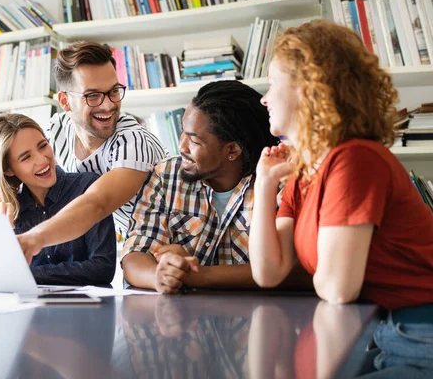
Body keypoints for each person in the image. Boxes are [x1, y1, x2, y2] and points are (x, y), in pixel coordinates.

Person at [249, 20, 433, 310]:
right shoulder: (303, 174)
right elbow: (268, 272)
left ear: (309, 87)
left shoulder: (354, 159)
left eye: (272, 83)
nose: (264, 99)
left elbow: (337, 288)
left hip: (417, 323)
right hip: (379, 323)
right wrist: (264, 184)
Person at [122, 80, 311, 294]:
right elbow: (134, 254)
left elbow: (300, 271)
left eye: (194, 141)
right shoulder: (166, 176)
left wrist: (200, 276)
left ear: (232, 150)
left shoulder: (279, 181)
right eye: (183, 132)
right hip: (187, 321)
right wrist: (160, 276)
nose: (181, 146)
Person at [15, 41, 167, 261]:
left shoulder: (133, 140)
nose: (108, 105)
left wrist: (34, 239)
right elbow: (25, 171)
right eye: (92, 96)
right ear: (65, 101)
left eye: (114, 91)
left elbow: (98, 203)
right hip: (138, 251)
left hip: (178, 247)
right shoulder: (56, 129)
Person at [0, 113, 116, 285]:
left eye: (43, 146)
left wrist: (31, 275)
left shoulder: (87, 188)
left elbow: (102, 267)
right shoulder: (10, 212)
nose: (42, 159)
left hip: (87, 309)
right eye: (26, 157)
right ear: (8, 170)